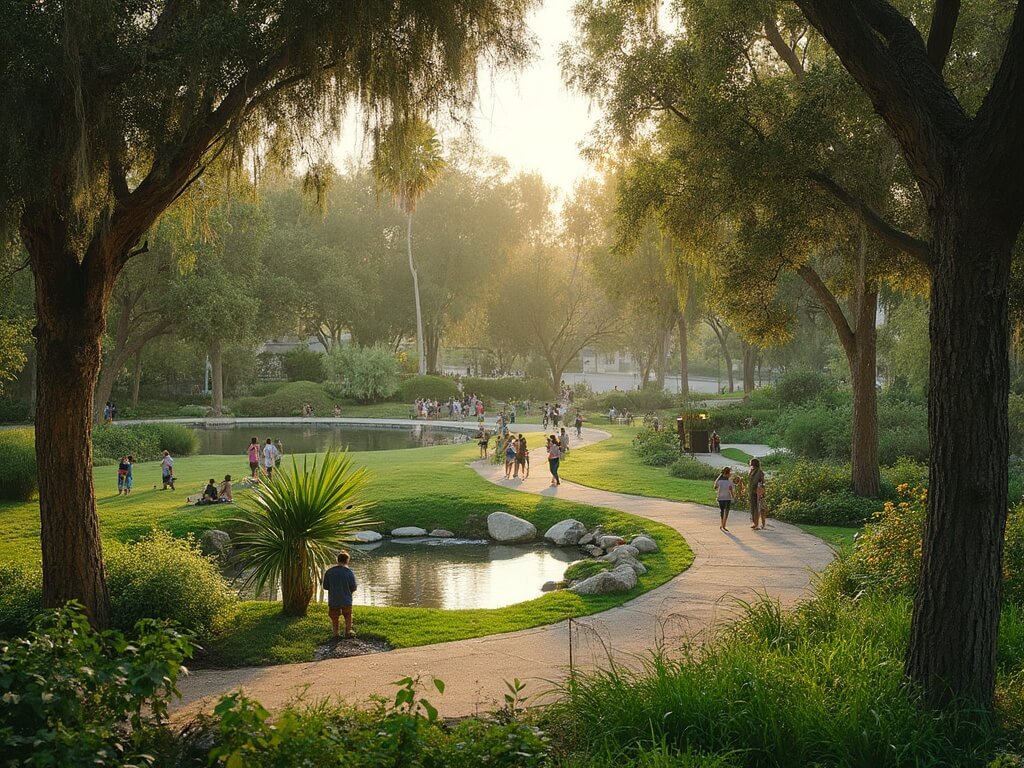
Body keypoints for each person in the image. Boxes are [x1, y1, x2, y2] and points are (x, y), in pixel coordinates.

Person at [322, 551, 358, 638]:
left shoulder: (329, 572)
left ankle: (336, 633)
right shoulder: (349, 572)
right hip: (346, 599)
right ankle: (348, 631)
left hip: (334, 599)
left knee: (334, 617)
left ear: (337, 560)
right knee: (348, 615)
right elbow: (353, 587)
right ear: (347, 561)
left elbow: (325, 586)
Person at [714, 467, 736, 532]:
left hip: (720, 498)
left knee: (722, 511)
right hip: (727, 498)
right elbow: (731, 490)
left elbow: (715, 487)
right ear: (727, 474)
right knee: (726, 511)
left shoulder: (719, 481)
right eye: (730, 473)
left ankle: (722, 524)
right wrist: (733, 497)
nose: (730, 474)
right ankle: (723, 525)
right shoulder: (730, 482)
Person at [748, 458, 766, 530]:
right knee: (753, 507)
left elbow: (763, 482)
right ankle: (755, 522)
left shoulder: (760, 472)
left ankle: (757, 523)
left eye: (751, 463)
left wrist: (761, 491)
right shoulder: (752, 471)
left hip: (758, 492)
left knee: (758, 507)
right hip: (752, 491)